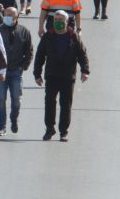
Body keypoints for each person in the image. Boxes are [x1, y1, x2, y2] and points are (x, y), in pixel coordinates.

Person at [32, 12, 90, 142]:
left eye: (60, 19)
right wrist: (37, 74)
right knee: (49, 102)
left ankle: (63, 131)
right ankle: (49, 129)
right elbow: (40, 56)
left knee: (66, 104)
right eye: (56, 19)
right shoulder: (48, 36)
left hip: (68, 76)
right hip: (52, 75)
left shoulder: (73, 36)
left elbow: (82, 55)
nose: (58, 21)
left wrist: (85, 71)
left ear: (67, 21)